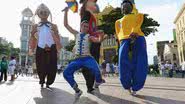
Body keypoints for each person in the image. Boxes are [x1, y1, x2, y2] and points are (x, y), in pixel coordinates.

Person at [62, 7, 105, 99]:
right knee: (66, 73)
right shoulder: (76, 34)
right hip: (77, 59)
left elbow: (97, 40)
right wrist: (66, 12)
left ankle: (98, 82)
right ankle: (77, 89)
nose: (85, 28)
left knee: (97, 69)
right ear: (80, 27)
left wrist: (101, 36)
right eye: (84, 26)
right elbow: (66, 25)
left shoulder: (89, 36)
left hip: (87, 58)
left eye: (87, 26)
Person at [115, 0, 148, 95]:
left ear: (131, 7)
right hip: (124, 41)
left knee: (140, 62)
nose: (124, 8)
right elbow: (118, 34)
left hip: (138, 38)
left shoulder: (138, 15)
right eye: (123, 6)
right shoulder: (118, 22)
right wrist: (121, 43)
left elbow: (138, 24)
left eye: (127, 6)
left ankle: (136, 86)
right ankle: (127, 84)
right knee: (123, 63)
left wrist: (134, 32)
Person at [28, 3, 62, 89]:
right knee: (40, 66)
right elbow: (33, 38)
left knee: (52, 66)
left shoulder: (54, 26)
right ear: (38, 14)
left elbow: (57, 37)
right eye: (42, 12)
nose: (44, 13)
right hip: (40, 48)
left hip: (52, 47)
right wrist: (31, 48)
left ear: (48, 13)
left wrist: (58, 49)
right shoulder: (35, 26)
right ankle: (42, 80)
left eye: (46, 12)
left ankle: (49, 82)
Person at [80, 0, 106, 94]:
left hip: (94, 42)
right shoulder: (86, 14)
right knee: (87, 65)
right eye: (92, 2)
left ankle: (93, 83)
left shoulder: (92, 16)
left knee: (92, 64)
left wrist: (99, 35)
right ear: (86, 3)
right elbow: (84, 28)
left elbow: (92, 29)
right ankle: (90, 85)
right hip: (90, 42)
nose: (94, 4)